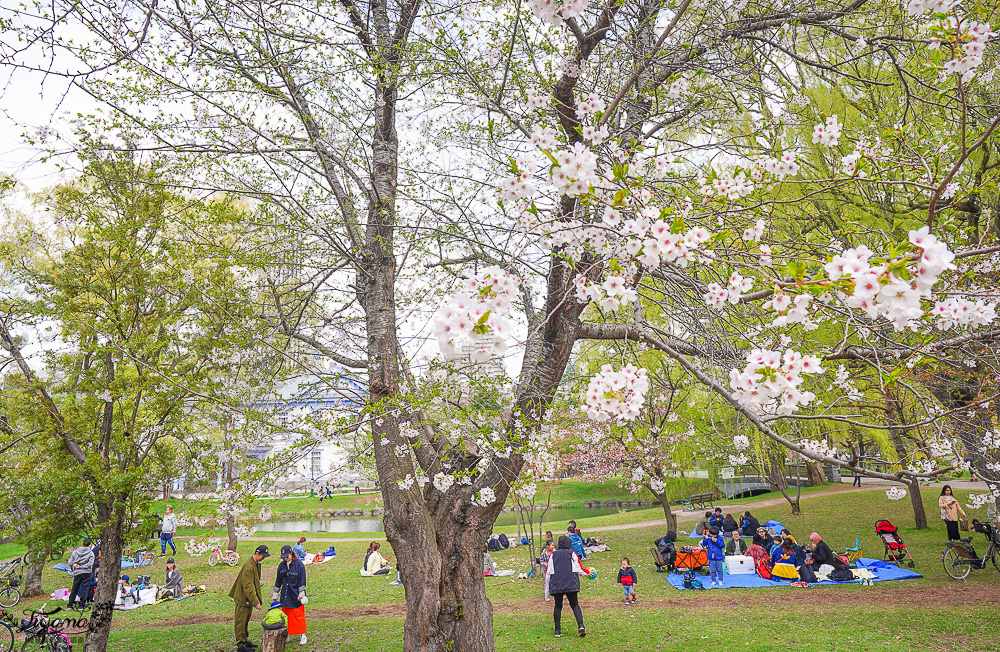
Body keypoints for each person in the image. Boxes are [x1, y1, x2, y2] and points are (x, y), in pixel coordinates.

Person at [229, 544, 270, 652]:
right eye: (263, 556)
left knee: (245, 621)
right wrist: (256, 602)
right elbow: (248, 587)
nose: (263, 558)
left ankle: (245, 641)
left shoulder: (254, 563)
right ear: (257, 554)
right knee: (241, 622)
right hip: (243, 599)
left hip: (247, 600)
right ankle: (241, 646)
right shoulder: (248, 566)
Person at [545, 535, 587, 638]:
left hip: (557, 583)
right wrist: (587, 573)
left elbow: (548, 573)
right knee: (575, 605)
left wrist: (547, 592)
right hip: (570, 583)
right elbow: (577, 569)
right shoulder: (572, 554)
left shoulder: (553, 555)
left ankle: (557, 630)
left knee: (558, 606)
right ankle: (580, 626)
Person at [273, 545, 309, 646]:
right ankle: (286, 634)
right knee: (286, 616)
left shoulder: (299, 565)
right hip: (285, 595)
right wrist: (275, 595)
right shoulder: (281, 566)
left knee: (298, 616)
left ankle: (303, 635)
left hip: (296, 595)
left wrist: (301, 594)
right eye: (283, 557)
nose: (285, 558)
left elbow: (302, 581)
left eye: (287, 556)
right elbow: (278, 580)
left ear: (291, 553)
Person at [67, 537, 95, 610]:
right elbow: (90, 563)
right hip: (87, 572)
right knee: (85, 589)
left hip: (77, 572)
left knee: (74, 588)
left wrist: (75, 566)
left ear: (82, 543)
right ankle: (81, 605)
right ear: (89, 544)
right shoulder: (91, 553)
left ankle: (69, 605)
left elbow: (70, 562)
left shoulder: (75, 552)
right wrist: (83, 566)